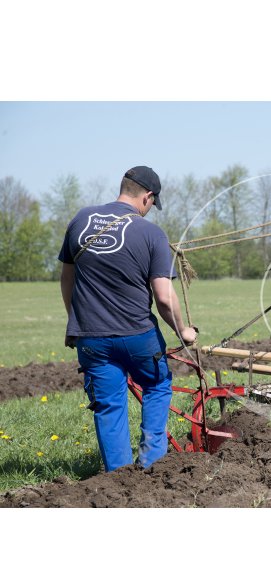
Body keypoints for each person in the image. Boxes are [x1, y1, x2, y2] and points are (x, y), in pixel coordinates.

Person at [59, 166, 198, 472]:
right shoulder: (151, 233)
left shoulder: (80, 220)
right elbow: (164, 297)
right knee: (158, 384)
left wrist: (75, 322)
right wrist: (183, 330)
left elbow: (67, 280)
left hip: (91, 337)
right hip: (137, 336)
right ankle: (152, 465)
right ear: (148, 197)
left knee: (109, 406)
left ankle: (119, 478)